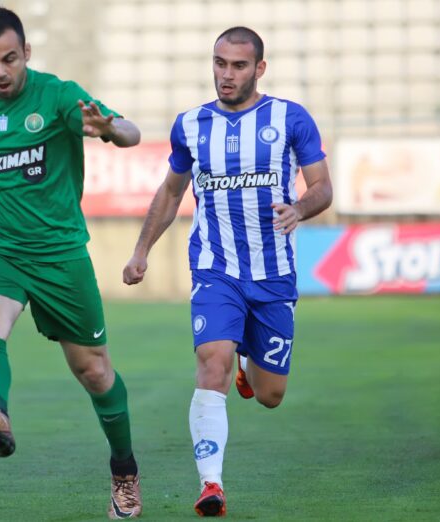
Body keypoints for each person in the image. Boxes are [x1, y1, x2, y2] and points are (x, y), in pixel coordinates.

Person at [123, 27, 332, 517]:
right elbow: (171, 192)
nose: (227, 74)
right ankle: (211, 484)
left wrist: (300, 209)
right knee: (210, 360)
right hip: (214, 268)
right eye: (220, 63)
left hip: (273, 273)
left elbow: (322, 186)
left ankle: (247, 362)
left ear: (259, 69)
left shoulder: (290, 118)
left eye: (239, 65)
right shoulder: (190, 124)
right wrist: (141, 251)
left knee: (270, 395)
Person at [0, 6, 142, 519]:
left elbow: (132, 133)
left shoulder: (58, 95)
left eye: (10, 59)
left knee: (94, 371)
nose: (0, 71)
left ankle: (124, 471)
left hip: (59, 254)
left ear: (27, 52)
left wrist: (108, 129)